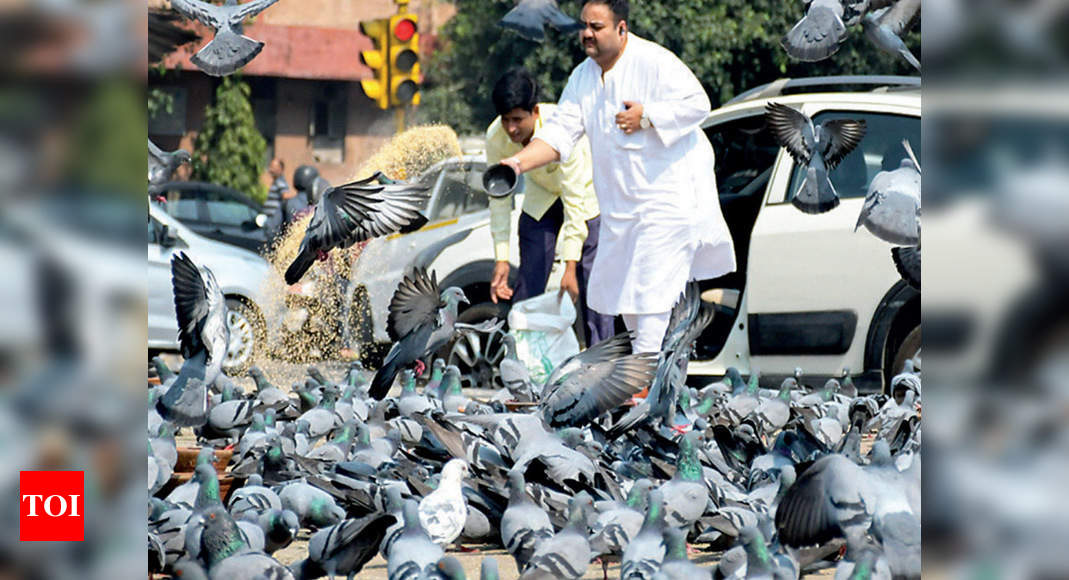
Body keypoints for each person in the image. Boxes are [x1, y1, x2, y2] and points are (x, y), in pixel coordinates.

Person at [498, 0, 736, 355]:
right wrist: (515, 164)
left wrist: (648, 115)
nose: (587, 34)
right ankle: (650, 386)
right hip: (620, 211)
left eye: (597, 27)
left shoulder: (653, 61)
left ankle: (644, 384)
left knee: (651, 297)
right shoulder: (583, 77)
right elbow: (560, 135)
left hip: (666, 203)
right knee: (628, 300)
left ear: (621, 28)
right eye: (584, 26)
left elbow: (698, 104)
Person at [486, 68, 615, 347]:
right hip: (540, 197)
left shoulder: (563, 127)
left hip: (584, 195)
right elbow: (498, 198)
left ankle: (602, 365)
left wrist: (570, 265)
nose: (511, 129)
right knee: (528, 287)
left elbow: (574, 200)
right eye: (505, 120)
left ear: (535, 111)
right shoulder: (495, 138)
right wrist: (501, 258)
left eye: (518, 120)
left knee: (591, 285)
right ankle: (524, 361)